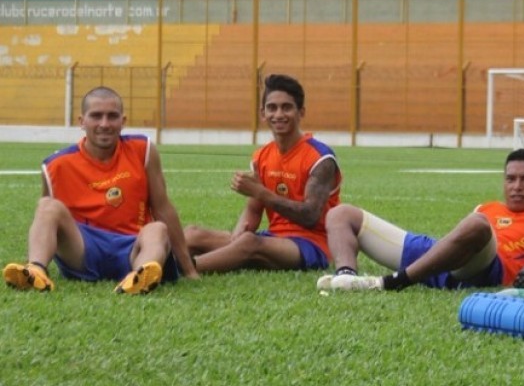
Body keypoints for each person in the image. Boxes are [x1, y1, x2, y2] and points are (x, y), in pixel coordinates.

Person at [3, 86, 198, 294]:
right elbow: (47, 225)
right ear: (82, 121)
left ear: (123, 121)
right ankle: (35, 271)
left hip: (133, 248)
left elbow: (163, 208)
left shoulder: (143, 150)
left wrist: (189, 270)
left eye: (112, 116)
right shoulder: (56, 166)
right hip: (84, 250)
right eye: (96, 116)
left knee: (157, 228)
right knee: (47, 206)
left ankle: (139, 276)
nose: (104, 124)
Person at [318, 148, 524, 292]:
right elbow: (458, 242)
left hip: (489, 272)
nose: (517, 186)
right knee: (340, 213)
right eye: (510, 179)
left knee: (478, 224)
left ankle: (390, 283)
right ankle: (346, 276)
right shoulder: (488, 208)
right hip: (446, 264)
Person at [184, 74, 341, 273]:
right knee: (193, 234)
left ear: (301, 112)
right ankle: (152, 264)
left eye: (286, 107)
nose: (278, 114)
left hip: (313, 244)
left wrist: (260, 192)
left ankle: (183, 271)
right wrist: (237, 235)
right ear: (263, 113)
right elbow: (254, 209)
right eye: (272, 108)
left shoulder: (321, 158)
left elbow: (310, 216)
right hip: (274, 238)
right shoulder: (262, 156)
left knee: (250, 243)